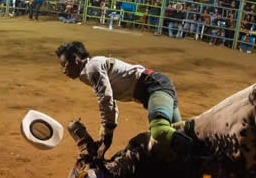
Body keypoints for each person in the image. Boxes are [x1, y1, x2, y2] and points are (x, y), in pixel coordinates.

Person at [55, 41, 191, 158]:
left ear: (75, 59)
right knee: (178, 133)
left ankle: (200, 153)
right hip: (154, 89)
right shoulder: (90, 69)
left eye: (65, 65)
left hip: (154, 87)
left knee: (160, 131)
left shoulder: (92, 68)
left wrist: (107, 135)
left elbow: (106, 99)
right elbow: (109, 101)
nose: (63, 70)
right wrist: (105, 134)